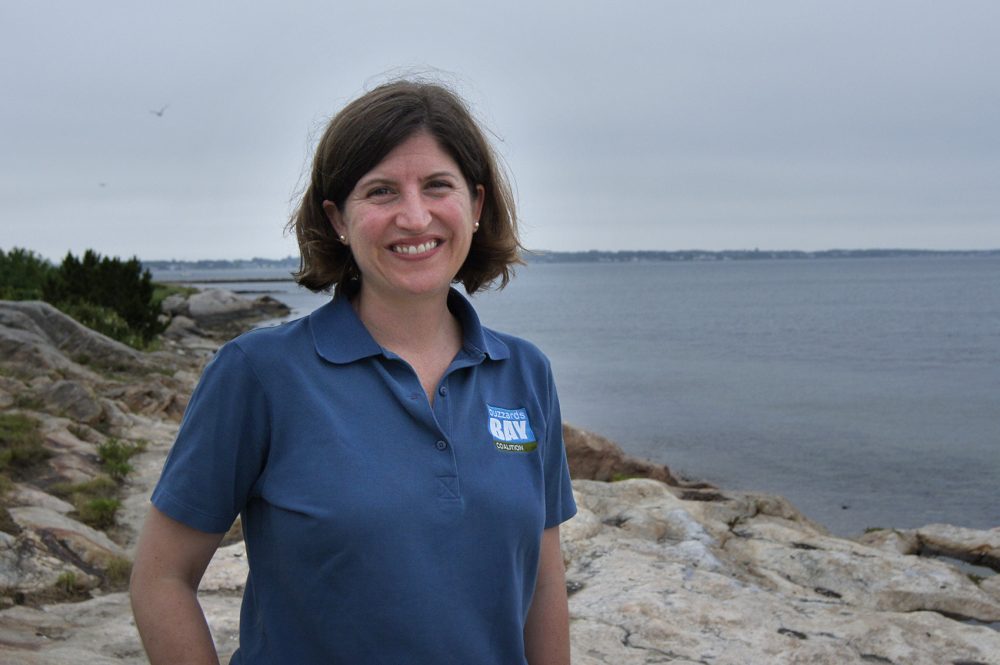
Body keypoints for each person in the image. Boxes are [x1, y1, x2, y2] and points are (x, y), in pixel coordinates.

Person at [129, 79, 577, 665]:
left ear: (476, 205)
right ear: (338, 218)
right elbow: (162, 577)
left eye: (437, 186)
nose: (414, 217)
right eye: (381, 191)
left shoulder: (523, 374)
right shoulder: (259, 374)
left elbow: (543, 585)